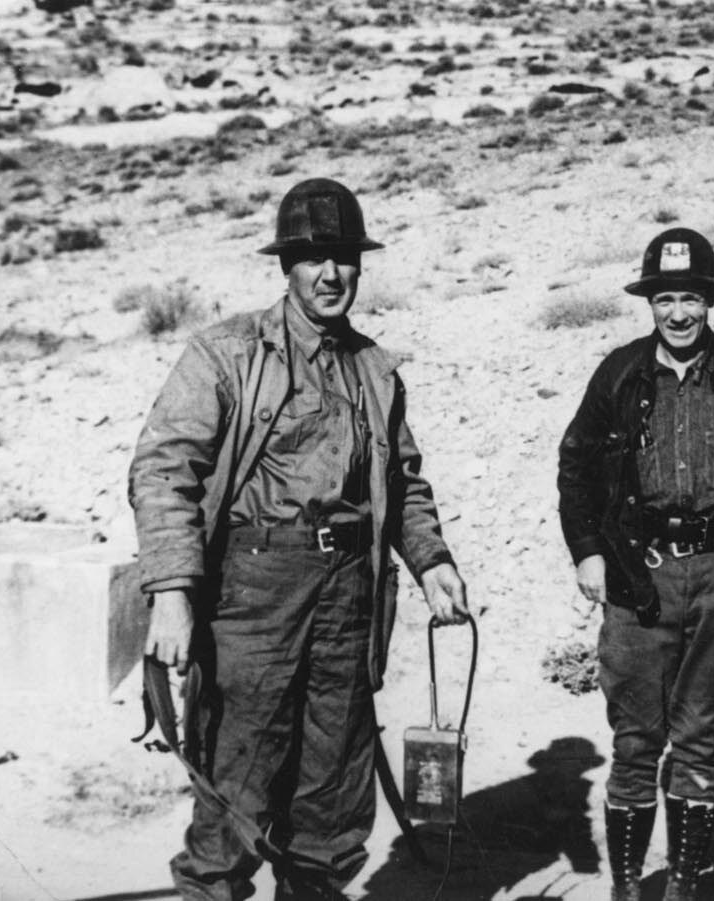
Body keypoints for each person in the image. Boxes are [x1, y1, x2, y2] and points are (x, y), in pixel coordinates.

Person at [129, 177, 469, 901]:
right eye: (313, 257)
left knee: (334, 795)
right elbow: (164, 469)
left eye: (343, 256)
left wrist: (432, 558)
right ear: (285, 264)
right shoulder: (226, 353)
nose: (330, 273)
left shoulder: (375, 368)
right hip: (254, 591)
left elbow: (403, 481)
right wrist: (171, 592)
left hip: (348, 592)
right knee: (237, 784)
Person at [556, 227, 714, 901]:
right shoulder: (621, 374)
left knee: (701, 738)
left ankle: (685, 886)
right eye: (666, 298)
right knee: (635, 739)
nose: (679, 313)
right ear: (649, 302)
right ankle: (630, 887)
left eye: (691, 297)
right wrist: (588, 552)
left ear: (710, 301)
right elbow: (576, 464)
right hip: (639, 575)